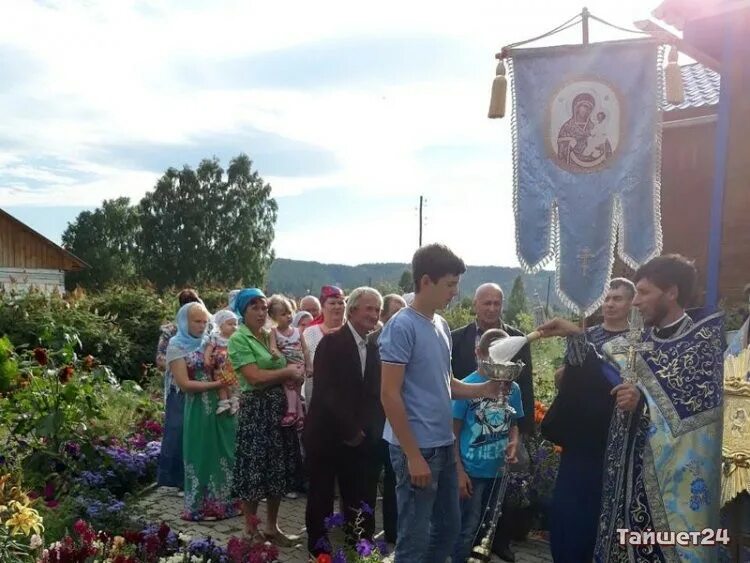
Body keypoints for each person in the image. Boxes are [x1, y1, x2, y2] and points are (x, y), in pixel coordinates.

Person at [538, 255, 724, 563]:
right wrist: (574, 332)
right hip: (626, 478)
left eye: (644, 292)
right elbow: (603, 363)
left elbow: (697, 418)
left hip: (673, 487)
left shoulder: (700, 343)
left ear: (672, 293)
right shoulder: (639, 340)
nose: (636, 302)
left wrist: (642, 404)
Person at [379, 243, 503, 562]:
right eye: (449, 285)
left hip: (444, 446)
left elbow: (446, 384)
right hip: (418, 449)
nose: (454, 293)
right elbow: (389, 394)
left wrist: (485, 389)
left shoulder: (441, 325)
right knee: (414, 538)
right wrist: (412, 456)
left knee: (449, 529)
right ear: (425, 282)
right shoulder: (402, 326)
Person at [542, 278, 634, 563]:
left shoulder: (637, 341)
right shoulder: (588, 334)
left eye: (617, 298)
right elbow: (567, 379)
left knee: (604, 508)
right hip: (580, 438)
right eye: (606, 298)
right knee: (570, 509)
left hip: (616, 439)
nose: (610, 303)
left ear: (631, 303)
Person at [304, 287, 385, 556]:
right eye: (369, 309)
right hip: (326, 436)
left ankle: (359, 548)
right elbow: (327, 392)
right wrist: (350, 429)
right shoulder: (332, 342)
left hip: (359, 439)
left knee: (357, 497)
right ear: (352, 311)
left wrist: (367, 432)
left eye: (377, 310)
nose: (374, 315)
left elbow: (374, 394)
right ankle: (320, 551)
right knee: (321, 498)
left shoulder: (375, 348)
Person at [228, 288, 306, 546]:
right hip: (256, 411)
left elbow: (292, 359)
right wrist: (287, 373)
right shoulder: (240, 339)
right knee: (253, 469)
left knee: (277, 469)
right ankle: (250, 530)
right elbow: (254, 377)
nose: (262, 313)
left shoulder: (267, 335)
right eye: (255, 308)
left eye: (264, 308)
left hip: (278, 410)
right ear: (243, 311)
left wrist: (298, 372)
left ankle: (272, 527)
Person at [452, 329, 523, 563]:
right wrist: (459, 473)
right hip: (471, 472)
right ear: (478, 353)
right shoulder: (466, 387)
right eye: (491, 357)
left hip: (498, 471)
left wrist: (514, 442)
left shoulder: (513, 388)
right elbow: (453, 433)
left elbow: (513, 424)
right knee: (466, 528)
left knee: (490, 525)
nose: (497, 364)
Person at [167, 302, 239, 521]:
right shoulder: (176, 345)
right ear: (183, 321)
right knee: (200, 453)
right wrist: (217, 385)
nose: (201, 325)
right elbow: (185, 384)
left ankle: (224, 504)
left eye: (205, 321)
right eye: (196, 321)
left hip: (223, 405)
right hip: (199, 407)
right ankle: (199, 507)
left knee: (225, 452)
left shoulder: (212, 341)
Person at [451, 283, 534, 439]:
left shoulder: (518, 339)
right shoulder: (455, 339)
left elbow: (526, 383)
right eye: (487, 303)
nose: (492, 308)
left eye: (497, 303)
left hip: (506, 426)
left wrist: (525, 429)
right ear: (475, 305)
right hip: (467, 427)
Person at [367, 293, 407, 545]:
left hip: (395, 423)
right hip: (372, 422)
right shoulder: (370, 343)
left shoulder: (406, 342)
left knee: (395, 481)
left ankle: (393, 532)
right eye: (394, 313)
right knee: (369, 480)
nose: (399, 319)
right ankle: (365, 531)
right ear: (383, 317)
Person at [156, 288, 202, 491]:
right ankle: (170, 479)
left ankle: (190, 478)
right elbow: (160, 359)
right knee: (176, 431)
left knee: (194, 433)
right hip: (179, 388)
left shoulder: (206, 332)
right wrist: (181, 364)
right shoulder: (171, 332)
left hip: (200, 389)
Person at [268, 295, 307, 429]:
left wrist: (309, 366)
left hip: (298, 363)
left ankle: (291, 411)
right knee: (294, 389)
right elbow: (273, 347)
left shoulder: (297, 331)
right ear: (274, 317)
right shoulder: (274, 331)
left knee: (289, 385)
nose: (288, 316)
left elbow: (305, 349)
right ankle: (301, 417)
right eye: (283, 314)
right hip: (287, 363)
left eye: (289, 313)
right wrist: (280, 357)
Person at [302, 286, 346, 405]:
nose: (337, 306)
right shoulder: (310, 333)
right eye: (332, 303)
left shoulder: (352, 332)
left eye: (341, 303)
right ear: (322, 306)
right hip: (316, 397)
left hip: (347, 397)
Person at [203, 309, 240, 415]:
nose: (234, 327)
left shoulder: (236, 338)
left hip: (231, 366)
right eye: (230, 324)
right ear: (220, 325)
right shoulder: (215, 336)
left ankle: (234, 401)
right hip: (219, 366)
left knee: (233, 384)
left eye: (235, 324)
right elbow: (209, 348)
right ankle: (224, 402)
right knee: (220, 382)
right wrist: (206, 358)